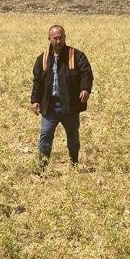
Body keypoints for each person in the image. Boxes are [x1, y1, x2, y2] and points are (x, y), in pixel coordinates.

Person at [30, 24, 93, 167]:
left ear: (65, 37)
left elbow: (86, 73)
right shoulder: (43, 59)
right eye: (55, 38)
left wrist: (85, 89)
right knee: (45, 135)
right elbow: (37, 82)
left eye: (61, 38)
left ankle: (74, 163)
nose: (58, 41)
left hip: (69, 106)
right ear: (49, 39)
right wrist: (35, 100)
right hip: (49, 106)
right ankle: (42, 167)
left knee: (73, 137)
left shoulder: (76, 55)